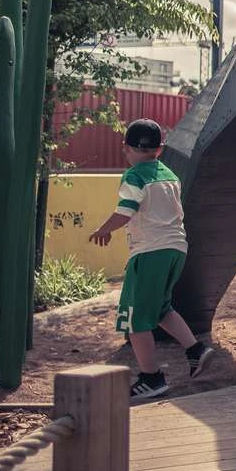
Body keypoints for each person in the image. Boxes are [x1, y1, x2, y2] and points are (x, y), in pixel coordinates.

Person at [88, 118, 213, 400]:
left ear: (126, 148)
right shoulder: (170, 175)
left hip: (150, 251)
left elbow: (126, 210)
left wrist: (103, 230)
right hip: (176, 249)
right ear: (160, 149)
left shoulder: (133, 176)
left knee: (134, 319)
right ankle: (195, 349)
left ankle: (151, 378)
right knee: (160, 309)